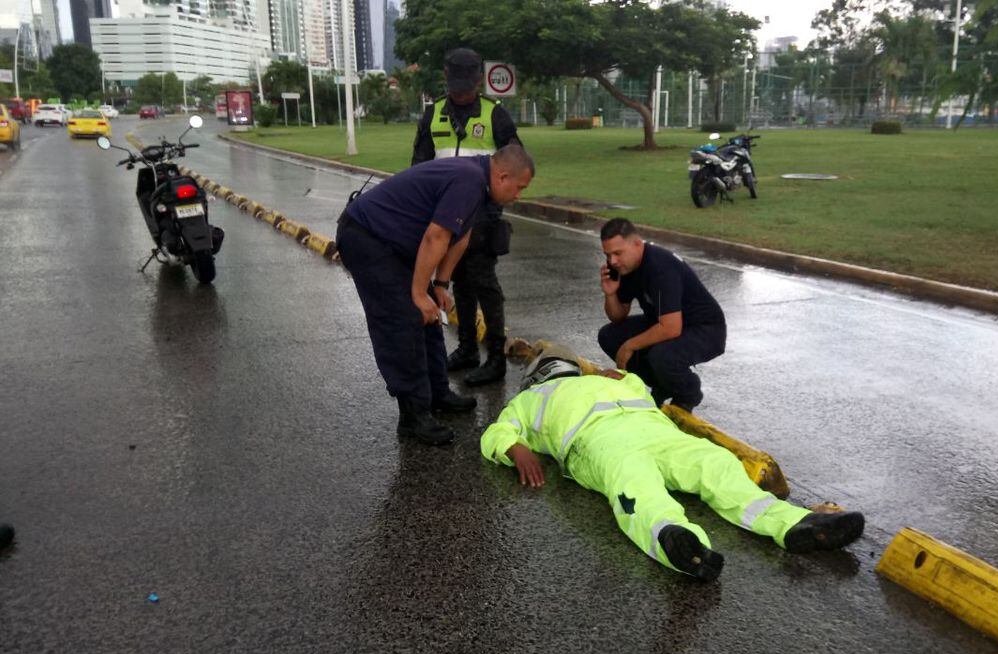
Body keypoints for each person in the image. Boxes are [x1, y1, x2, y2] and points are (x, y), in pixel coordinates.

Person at [480, 350, 865, 580]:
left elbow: (639, 386)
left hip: (655, 433)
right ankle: (677, 543)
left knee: (714, 463)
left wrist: (622, 376)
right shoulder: (532, 401)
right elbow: (495, 433)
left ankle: (792, 524)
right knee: (634, 487)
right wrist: (516, 449)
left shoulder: (612, 381)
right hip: (599, 443)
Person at [337, 143, 535, 445]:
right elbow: (436, 236)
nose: (519, 195)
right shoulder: (469, 181)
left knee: (429, 317)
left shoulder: (479, 185)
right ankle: (413, 415)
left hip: (394, 243)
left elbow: (460, 238)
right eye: (519, 187)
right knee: (403, 320)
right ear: (503, 176)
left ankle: (436, 393)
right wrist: (418, 294)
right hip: (367, 237)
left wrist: (440, 285)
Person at [412, 48, 522, 386]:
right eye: (454, 84)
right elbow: (419, 166)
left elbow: (515, 160)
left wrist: (496, 201)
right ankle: (467, 349)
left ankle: (496, 359)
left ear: (478, 80)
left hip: (484, 215)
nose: (461, 91)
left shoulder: (496, 115)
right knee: (458, 281)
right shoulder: (432, 115)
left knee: (485, 283)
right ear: (446, 77)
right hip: (447, 215)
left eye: (467, 84)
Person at [598, 218, 726, 411]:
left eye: (617, 253)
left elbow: (671, 328)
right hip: (667, 323)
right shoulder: (625, 266)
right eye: (608, 255)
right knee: (609, 336)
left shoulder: (660, 268)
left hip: (705, 329)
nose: (612, 261)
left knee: (662, 356)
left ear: (637, 244)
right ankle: (662, 384)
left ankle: (688, 392)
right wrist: (610, 294)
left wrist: (629, 346)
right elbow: (618, 316)